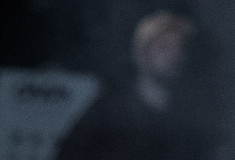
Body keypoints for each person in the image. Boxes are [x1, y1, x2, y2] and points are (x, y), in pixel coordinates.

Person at [54, 12, 214, 160]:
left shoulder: (188, 116)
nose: (175, 56)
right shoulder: (110, 111)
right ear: (141, 54)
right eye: (164, 47)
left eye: (180, 48)